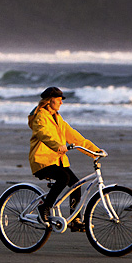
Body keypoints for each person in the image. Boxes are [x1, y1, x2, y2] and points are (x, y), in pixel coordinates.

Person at [28, 86, 103, 230]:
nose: (61, 102)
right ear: (49, 101)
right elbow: (43, 134)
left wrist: (95, 151)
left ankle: (74, 220)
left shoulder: (58, 119)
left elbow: (75, 137)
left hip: (57, 161)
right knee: (64, 178)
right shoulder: (40, 117)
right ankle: (44, 208)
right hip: (42, 161)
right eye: (58, 100)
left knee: (76, 184)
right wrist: (57, 146)